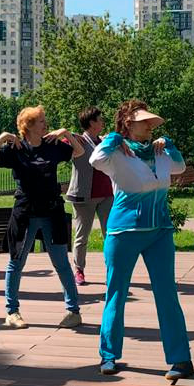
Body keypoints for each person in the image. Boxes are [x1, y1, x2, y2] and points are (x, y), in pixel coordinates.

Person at [89, 100, 193, 383]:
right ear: (127, 124)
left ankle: (181, 359)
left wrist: (169, 144)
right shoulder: (116, 153)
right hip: (123, 233)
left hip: (159, 231)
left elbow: (179, 167)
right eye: (143, 121)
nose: (149, 125)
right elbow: (94, 159)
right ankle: (108, 355)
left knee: (167, 294)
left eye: (151, 122)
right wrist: (113, 138)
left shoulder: (159, 151)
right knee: (116, 293)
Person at [0, 106, 84, 329]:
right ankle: (12, 312)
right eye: (40, 122)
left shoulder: (52, 146)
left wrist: (65, 133)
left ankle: (73, 311)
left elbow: (79, 152)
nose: (45, 125)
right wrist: (2, 137)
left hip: (52, 211)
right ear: (28, 126)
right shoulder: (16, 148)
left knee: (62, 264)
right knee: (16, 262)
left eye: (45, 121)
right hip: (25, 212)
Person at [66, 106, 113, 287]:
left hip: (107, 194)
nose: (102, 122)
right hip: (84, 195)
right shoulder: (77, 140)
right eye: (99, 119)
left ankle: (112, 269)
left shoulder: (105, 141)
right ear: (91, 123)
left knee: (110, 234)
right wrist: (69, 134)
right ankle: (79, 270)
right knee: (82, 236)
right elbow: (56, 138)